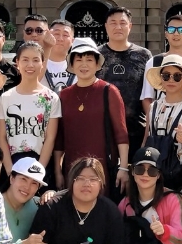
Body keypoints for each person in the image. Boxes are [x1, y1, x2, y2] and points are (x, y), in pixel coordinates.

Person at [54, 38, 128, 190]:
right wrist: (57, 171)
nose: (84, 64)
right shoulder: (64, 95)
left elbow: (121, 133)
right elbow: (59, 138)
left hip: (103, 168)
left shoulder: (109, 91)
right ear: (72, 64)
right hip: (72, 168)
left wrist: (124, 167)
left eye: (89, 59)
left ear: (97, 63)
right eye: (78, 59)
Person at [0, 41, 60, 185]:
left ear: (42, 63)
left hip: (41, 162)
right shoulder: (6, 97)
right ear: (17, 63)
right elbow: (2, 137)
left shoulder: (51, 98)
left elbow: (50, 138)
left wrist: (39, 171)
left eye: (36, 60)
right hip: (11, 163)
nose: (30, 65)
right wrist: (10, 171)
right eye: (25, 60)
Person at [142, 54, 182, 199]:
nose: (171, 80)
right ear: (161, 78)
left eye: (177, 76)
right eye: (166, 75)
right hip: (153, 169)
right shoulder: (153, 106)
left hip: (179, 170)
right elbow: (146, 137)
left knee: (180, 210)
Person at [99, 7, 152, 165]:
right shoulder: (96, 55)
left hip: (136, 130)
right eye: (113, 23)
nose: (118, 27)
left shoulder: (144, 55)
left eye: (122, 23)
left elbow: (149, 94)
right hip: (103, 130)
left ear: (130, 26)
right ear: (106, 26)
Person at [140, 14, 182, 117]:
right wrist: (155, 121)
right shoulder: (154, 62)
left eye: (181, 30)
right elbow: (147, 98)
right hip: (160, 124)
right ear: (166, 34)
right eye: (171, 29)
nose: (176, 33)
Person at [45, 19, 76, 93]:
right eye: (56, 34)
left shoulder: (78, 66)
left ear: (72, 41)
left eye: (65, 35)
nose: (60, 39)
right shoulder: (39, 63)